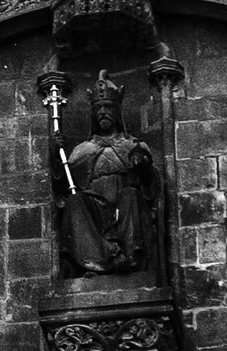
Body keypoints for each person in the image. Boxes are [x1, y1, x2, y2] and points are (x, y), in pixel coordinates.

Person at [59, 71, 159, 277]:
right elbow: (64, 184)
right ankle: (105, 258)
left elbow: (150, 184)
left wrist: (142, 166)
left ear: (117, 111)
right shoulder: (81, 150)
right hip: (95, 208)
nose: (103, 112)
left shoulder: (133, 145)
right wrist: (55, 153)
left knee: (131, 195)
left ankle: (130, 259)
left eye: (108, 107)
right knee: (75, 202)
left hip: (125, 206)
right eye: (98, 108)